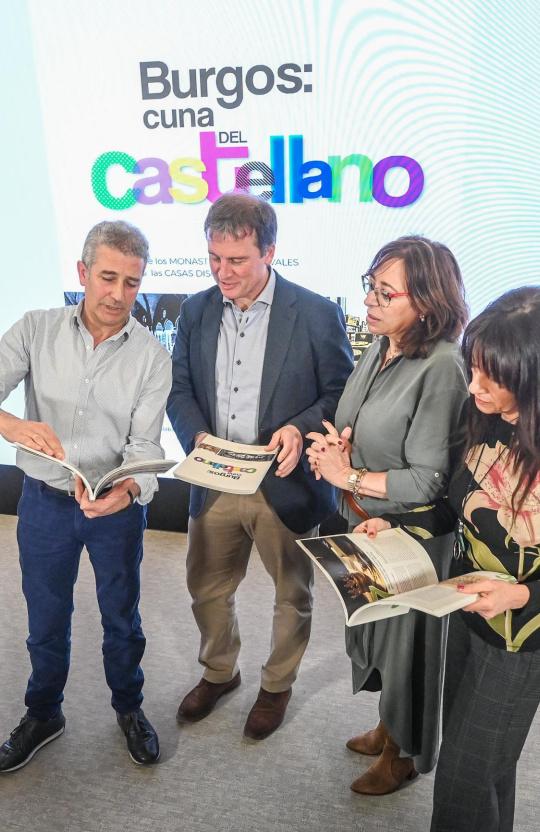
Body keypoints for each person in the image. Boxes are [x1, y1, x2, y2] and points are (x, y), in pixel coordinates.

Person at [357, 286, 540, 832]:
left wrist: (523, 593)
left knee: (463, 773)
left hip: (521, 639)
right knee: (489, 756)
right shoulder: (485, 417)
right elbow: (453, 503)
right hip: (464, 605)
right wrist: (400, 526)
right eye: (476, 364)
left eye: (495, 374)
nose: (476, 381)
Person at [167, 193, 354, 739]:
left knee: (291, 595)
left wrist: (301, 426)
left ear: (270, 251)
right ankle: (220, 672)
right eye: (214, 259)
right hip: (216, 479)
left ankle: (276, 686)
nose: (222, 273)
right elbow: (180, 388)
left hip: (285, 481)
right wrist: (196, 436)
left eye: (237, 261)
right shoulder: (196, 309)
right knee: (206, 587)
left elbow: (339, 394)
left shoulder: (317, 313)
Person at [0, 221, 172, 771]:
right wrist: (11, 425)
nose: (118, 295)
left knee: (121, 618)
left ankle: (129, 708)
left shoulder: (151, 356)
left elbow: (144, 445)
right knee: (46, 617)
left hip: (114, 511)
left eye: (131, 282)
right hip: (44, 503)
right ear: (82, 273)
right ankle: (44, 712)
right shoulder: (35, 329)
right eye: (107, 278)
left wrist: (126, 491)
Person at [306, 236, 468, 793]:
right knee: (378, 634)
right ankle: (387, 726)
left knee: (407, 648)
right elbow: (361, 424)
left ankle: (402, 753)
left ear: (424, 302)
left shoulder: (443, 365)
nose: (370, 302)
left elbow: (428, 479)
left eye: (385, 292)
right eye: (369, 288)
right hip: (367, 519)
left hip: (414, 533)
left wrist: (343, 475)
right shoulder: (381, 346)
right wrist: (337, 450)